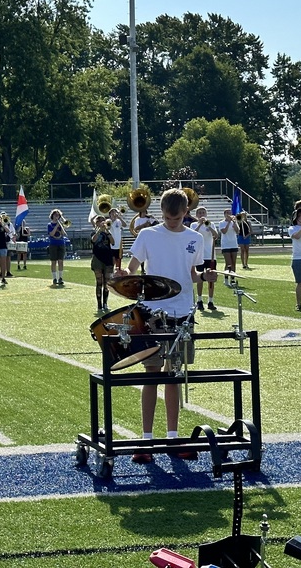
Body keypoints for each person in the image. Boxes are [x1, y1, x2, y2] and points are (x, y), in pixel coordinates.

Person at [113, 188, 217, 463]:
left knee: (174, 375)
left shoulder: (195, 238)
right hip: (152, 312)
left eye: (177, 217)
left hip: (183, 312)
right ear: (162, 213)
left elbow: (192, 275)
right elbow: (133, 266)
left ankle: (172, 437)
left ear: (186, 212)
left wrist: (206, 276)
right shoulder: (148, 235)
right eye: (169, 217)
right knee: (151, 374)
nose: (173, 221)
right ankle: (146, 440)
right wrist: (124, 273)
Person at [192, 208, 219, 312]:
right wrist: (199, 224)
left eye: (203, 213)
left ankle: (211, 301)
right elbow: (193, 235)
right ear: (196, 215)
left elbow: (216, 236)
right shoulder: (193, 225)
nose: (201, 214)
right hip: (199, 256)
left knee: (211, 279)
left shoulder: (210, 224)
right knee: (200, 278)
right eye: (199, 213)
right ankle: (199, 300)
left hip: (210, 256)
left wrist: (208, 225)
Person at [89, 215, 116, 314]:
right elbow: (93, 240)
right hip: (97, 259)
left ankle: (105, 303)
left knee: (107, 283)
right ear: (96, 223)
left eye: (102, 221)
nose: (101, 222)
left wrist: (107, 231)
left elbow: (113, 242)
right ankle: (99, 304)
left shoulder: (107, 233)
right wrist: (99, 230)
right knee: (99, 282)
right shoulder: (94, 232)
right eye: (99, 221)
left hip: (108, 259)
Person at [46, 209, 68, 287]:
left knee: (60, 261)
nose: (57, 216)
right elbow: (51, 234)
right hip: (53, 244)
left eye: (58, 215)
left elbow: (64, 233)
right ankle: (54, 278)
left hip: (61, 244)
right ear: (52, 216)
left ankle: (60, 278)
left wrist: (61, 226)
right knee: (53, 262)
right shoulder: (49, 225)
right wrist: (57, 226)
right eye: (55, 215)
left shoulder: (61, 224)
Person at [218, 209, 239, 287]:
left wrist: (234, 223)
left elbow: (237, 231)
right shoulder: (221, 223)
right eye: (227, 213)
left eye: (230, 212)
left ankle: (233, 279)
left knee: (234, 262)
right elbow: (224, 231)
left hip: (233, 243)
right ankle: (226, 278)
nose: (229, 214)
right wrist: (229, 222)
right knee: (228, 262)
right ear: (224, 214)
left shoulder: (234, 222)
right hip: (226, 244)